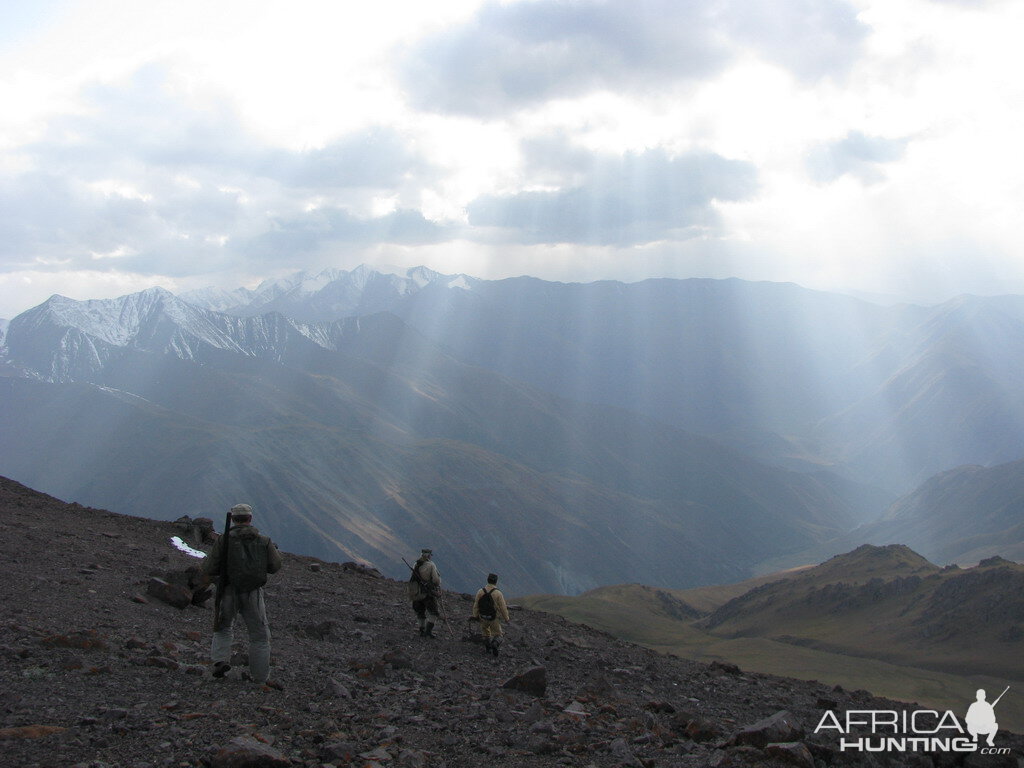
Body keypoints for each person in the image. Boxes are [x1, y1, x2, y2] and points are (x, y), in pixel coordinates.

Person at [201, 503, 283, 686]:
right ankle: (260, 678)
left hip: (228, 590)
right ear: (250, 518)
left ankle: (220, 662)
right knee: (260, 636)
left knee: (223, 628)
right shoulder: (264, 541)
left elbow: (209, 567)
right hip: (253, 592)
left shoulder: (224, 540)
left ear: (233, 520)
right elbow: (275, 566)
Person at [472, 573, 510, 656]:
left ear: (487, 580)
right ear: (496, 582)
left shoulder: (480, 591)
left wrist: (475, 616)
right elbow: (503, 608)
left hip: (482, 617)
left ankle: (488, 648)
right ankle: (495, 644)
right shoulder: (498, 593)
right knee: (498, 634)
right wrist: (506, 618)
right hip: (493, 618)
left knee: (485, 633)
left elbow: (476, 605)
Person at [409, 548, 441, 637]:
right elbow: (436, 580)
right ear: (428, 555)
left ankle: (421, 630)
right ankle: (428, 632)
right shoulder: (431, 565)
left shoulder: (416, 564)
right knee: (433, 612)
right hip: (427, 592)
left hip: (416, 592)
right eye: (430, 555)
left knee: (420, 612)